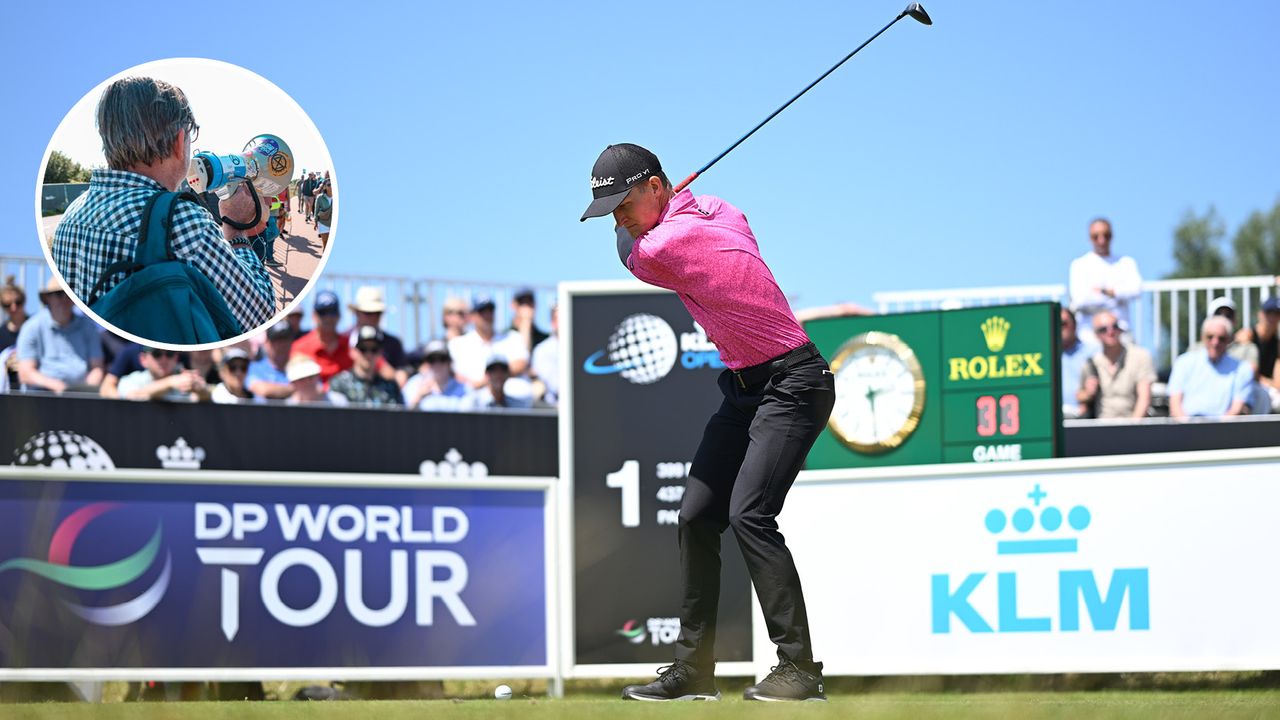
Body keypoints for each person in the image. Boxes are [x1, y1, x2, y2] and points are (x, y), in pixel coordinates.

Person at [582, 143, 834, 703]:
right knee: (697, 515)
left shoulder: (664, 245)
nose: (618, 218)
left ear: (655, 186)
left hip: (795, 382)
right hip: (747, 387)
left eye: (623, 204)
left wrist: (652, 217)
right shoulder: (717, 209)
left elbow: (630, 251)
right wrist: (674, 202)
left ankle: (800, 670)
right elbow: (726, 215)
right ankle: (693, 669)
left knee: (750, 515)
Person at [50, 76, 274, 336]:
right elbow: (260, 313)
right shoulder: (182, 221)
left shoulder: (71, 214)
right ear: (179, 142)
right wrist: (236, 231)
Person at [16, 278, 104, 394]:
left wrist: (86, 389)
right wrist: (57, 386)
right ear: (48, 298)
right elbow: (25, 373)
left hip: (80, 395)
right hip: (42, 394)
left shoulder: (88, 327)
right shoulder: (31, 327)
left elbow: (97, 368)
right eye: (59, 294)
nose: (64, 299)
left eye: (69, 294)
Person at [1068, 217, 1142, 343]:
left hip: (1122, 332)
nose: (1101, 240)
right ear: (1089, 238)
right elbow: (1080, 299)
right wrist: (1115, 296)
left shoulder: (1126, 262)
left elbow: (1136, 290)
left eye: (1106, 235)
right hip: (1089, 335)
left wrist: (1101, 291)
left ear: (1112, 236)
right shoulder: (1079, 264)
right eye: (1095, 236)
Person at [1168, 316, 1255, 419]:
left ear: (1229, 340)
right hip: (1186, 429)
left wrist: (1216, 431)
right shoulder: (1183, 363)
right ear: (1202, 337)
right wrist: (1188, 428)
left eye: (1221, 338)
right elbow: (1175, 405)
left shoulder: (1242, 369)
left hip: (1224, 431)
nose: (1215, 342)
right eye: (1210, 337)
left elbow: (1236, 409)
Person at [1077, 311, 1156, 419]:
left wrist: (1133, 429)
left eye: (1114, 326)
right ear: (1096, 335)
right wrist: (1088, 393)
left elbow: (1144, 398)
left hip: (1133, 425)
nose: (1110, 332)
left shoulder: (1140, 356)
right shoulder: (1091, 363)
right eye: (1103, 329)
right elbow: (1080, 396)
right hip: (1101, 427)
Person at [448, 295, 528, 388]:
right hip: (472, 398)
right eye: (482, 312)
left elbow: (520, 364)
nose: (487, 315)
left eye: (490, 310)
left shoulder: (512, 337)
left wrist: (484, 382)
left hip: (509, 396)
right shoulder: (457, 344)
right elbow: (454, 374)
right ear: (472, 316)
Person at [328, 326, 404, 407]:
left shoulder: (390, 388)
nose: (368, 354)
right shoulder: (339, 384)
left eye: (374, 349)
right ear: (352, 351)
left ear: (380, 353)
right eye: (363, 349)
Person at [348, 286, 408, 386]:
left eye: (377, 313)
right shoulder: (343, 340)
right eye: (368, 313)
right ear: (357, 313)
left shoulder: (393, 343)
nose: (373, 318)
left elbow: (400, 378)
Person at [292, 290, 351, 386]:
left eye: (332, 312)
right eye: (323, 313)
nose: (328, 318)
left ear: (339, 315)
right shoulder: (300, 348)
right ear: (314, 315)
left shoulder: (352, 347)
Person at [403, 340, 472, 411]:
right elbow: (403, 418)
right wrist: (418, 397)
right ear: (426, 363)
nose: (437, 364)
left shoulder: (464, 389)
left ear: (449, 362)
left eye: (442, 359)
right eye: (432, 360)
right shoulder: (413, 385)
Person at [118, 347, 208, 402]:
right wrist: (169, 382)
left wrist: (200, 389)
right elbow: (132, 397)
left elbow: (204, 399)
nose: (164, 360)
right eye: (157, 354)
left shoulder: (184, 379)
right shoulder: (131, 380)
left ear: (176, 357)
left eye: (169, 354)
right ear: (143, 359)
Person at [1238, 296, 1280, 411]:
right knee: (1263, 396)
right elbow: (1248, 371)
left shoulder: (1277, 344)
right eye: (1269, 313)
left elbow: (1278, 381)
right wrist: (1269, 383)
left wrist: (1270, 384)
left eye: (1276, 314)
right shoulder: (1246, 336)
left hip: (1266, 387)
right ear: (1260, 314)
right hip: (1246, 385)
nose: (1272, 317)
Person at [1059, 308, 1098, 419]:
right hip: (1052, 418)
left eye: (1063, 323)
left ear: (1074, 325)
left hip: (1084, 417)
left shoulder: (1094, 351)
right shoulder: (1044, 355)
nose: (1059, 327)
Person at [247, 321, 296, 400]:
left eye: (285, 339)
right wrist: (297, 388)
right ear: (267, 343)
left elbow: (316, 389)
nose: (282, 344)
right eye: (277, 340)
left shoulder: (299, 366)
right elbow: (263, 390)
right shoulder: (254, 368)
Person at [465, 355, 532, 411]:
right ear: (486, 374)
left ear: (508, 374)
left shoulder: (517, 406)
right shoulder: (473, 404)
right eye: (493, 370)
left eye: (503, 370)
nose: (498, 375)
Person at [0, 278, 28, 389]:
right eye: (7, 304)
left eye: (18, 302)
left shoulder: (35, 328)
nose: (13, 308)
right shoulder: (1, 334)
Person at [530, 303, 559, 405]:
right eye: (559, 318)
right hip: (552, 409)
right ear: (553, 322)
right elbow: (556, 386)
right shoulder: (542, 350)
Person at [509, 287, 548, 353]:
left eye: (530, 302)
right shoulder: (504, 337)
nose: (527, 307)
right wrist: (525, 323)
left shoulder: (545, 339)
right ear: (513, 305)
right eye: (522, 303)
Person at [314, 180, 334, 251]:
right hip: (323, 223)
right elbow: (316, 210)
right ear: (325, 187)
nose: (331, 186)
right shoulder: (320, 197)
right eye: (329, 185)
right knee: (326, 243)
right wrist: (315, 222)